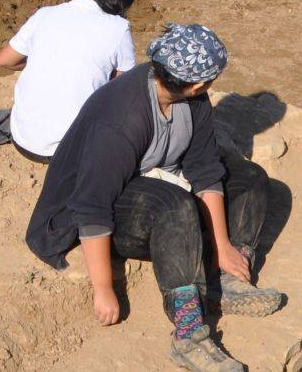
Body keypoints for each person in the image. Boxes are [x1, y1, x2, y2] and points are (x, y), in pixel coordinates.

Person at [25, 24, 285, 372]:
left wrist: (223, 245)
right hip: (99, 207)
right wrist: (103, 288)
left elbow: (205, 167)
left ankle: (224, 279)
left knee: (250, 179)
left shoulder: (192, 99)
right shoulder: (122, 118)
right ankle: (189, 335)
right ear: (197, 84)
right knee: (175, 208)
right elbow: (91, 206)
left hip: (158, 178)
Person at [0, 0, 140, 162]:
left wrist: (43, 60)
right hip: (69, 151)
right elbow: (124, 88)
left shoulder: (45, 14)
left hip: (22, 139)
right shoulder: (118, 29)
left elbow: (4, 60)